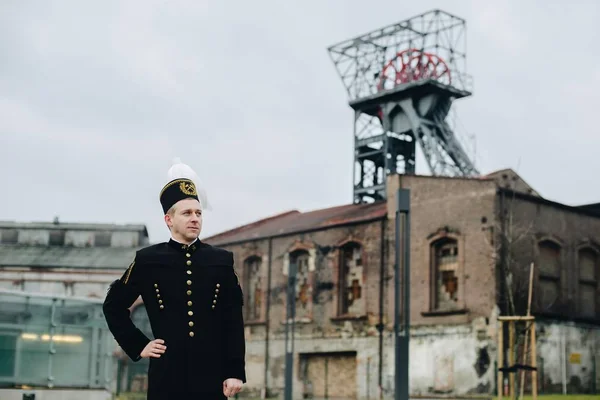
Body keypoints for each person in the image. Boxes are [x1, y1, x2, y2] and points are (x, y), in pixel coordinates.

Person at [103, 159, 246, 399]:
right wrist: (139, 344)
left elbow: (232, 319)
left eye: (198, 213)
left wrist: (235, 371)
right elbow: (113, 306)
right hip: (166, 375)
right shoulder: (148, 260)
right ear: (169, 220)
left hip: (211, 376)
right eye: (187, 213)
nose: (195, 218)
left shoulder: (221, 261)